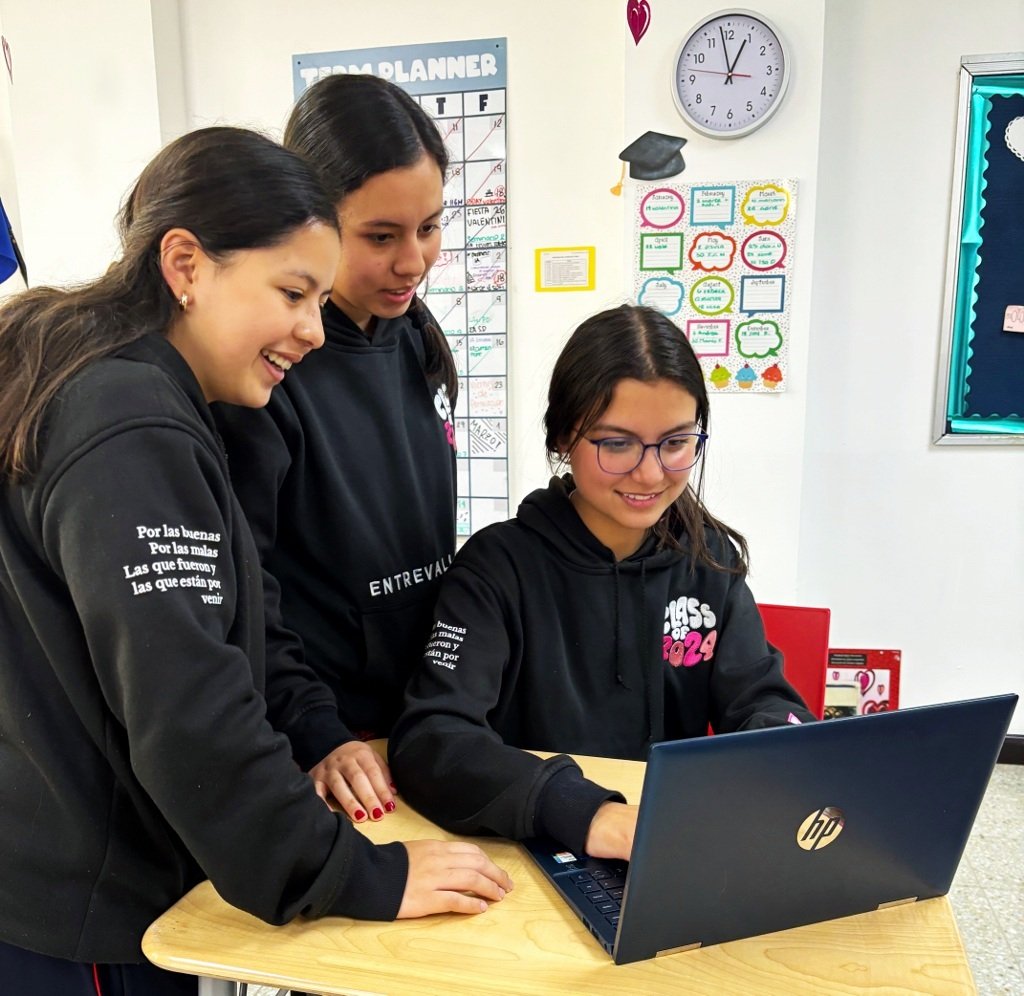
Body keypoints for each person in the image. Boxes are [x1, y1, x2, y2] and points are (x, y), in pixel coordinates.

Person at [0, 126, 511, 996]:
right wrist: (358, 875)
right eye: (292, 292)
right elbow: (186, 702)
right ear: (187, 264)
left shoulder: (103, 381)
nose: (313, 330)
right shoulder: (131, 425)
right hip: (87, 908)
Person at [388, 304, 815, 864]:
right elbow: (432, 739)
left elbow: (762, 699)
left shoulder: (709, 560)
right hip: (536, 849)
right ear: (565, 434)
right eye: (616, 444)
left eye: (676, 442)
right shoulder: (498, 567)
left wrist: (784, 749)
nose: (650, 473)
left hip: (666, 846)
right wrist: (582, 811)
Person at [213, 74, 458, 825]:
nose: (413, 261)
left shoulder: (416, 338)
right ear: (312, 221)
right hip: (323, 746)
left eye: (430, 227)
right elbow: (243, 592)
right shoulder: (268, 371)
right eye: (381, 237)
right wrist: (315, 731)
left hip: (418, 721)